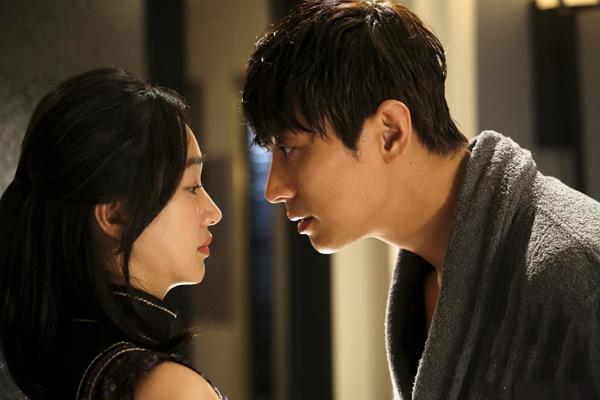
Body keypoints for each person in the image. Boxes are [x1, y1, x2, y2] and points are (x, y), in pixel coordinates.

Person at [242, 0, 600, 398]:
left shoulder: (578, 267)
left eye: (289, 148)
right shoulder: (431, 281)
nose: (273, 189)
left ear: (390, 133)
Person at [0, 67, 226, 400]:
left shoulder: (61, 361)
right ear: (114, 215)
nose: (214, 212)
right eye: (191, 187)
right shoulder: (167, 388)